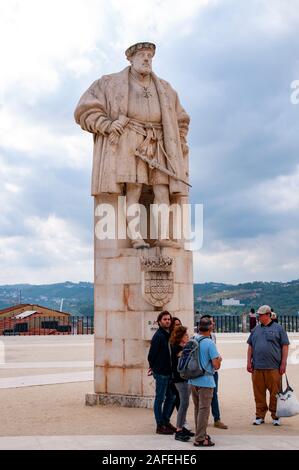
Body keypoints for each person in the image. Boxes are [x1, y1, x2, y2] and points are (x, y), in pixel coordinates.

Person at [74, 42, 190, 248]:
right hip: (129, 139)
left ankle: (162, 236)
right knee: (134, 189)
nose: (147, 59)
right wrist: (107, 125)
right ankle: (136, 237)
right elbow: (84, 110)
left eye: (150, 56)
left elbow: (182, 119)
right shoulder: (109, 83)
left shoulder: (165, 88)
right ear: (130, 59)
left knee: (162, 190)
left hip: (160, 142)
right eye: (142, 55)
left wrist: (179, 141)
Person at [247, 304, 289, 426]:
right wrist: (248, 362)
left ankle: (276, 416)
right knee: (258, 393)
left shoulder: (279, 329)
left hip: (274, 367)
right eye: (258, 315)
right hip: (257, 367)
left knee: (275, 393)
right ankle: (259, 416)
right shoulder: (255, 330)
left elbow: (285, 346)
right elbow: (250, 346)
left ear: (268, 315)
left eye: (261, 315)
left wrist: (283, 363)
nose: (259, 317)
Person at [189, 317, 222, 447]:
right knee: (204, 410)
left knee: (198, 409)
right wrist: (219, 359)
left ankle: (200, 433)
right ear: (210, 328)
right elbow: (216, 365)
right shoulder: (209, 343)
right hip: (206, 380)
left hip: (193, 379)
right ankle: (200, 439)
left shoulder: (193, 340)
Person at [148, 310, 176, 434]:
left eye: (169, 319)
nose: (167, 321)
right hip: (162, 373)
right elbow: (151, 355)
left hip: (169, 372)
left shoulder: (168, 334)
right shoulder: (159, 336)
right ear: (159, 322)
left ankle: (165, 421)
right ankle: (160, 425)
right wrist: (154, 368)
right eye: (165, 319)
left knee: (171, 397)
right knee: (160, 398)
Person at [200, 315, 228, 429]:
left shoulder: (213, 337)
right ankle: (202, 423)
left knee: (214, 395)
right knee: (203, 400)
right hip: (206, 371)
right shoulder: (199, 338)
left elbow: (213, 351)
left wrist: (217, 357)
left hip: (212, 371)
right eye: (211, 322)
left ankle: (217, 419)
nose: (213, 324)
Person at [170, 325, 195, 442]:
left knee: (185, 405)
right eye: (185, 334)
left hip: (184, 379)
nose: (187, 336)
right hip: (180, 380)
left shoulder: (181, 347)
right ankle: (179, 430)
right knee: (183, 405)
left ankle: (182, 427)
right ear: (180, 337)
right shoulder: (177, 349)